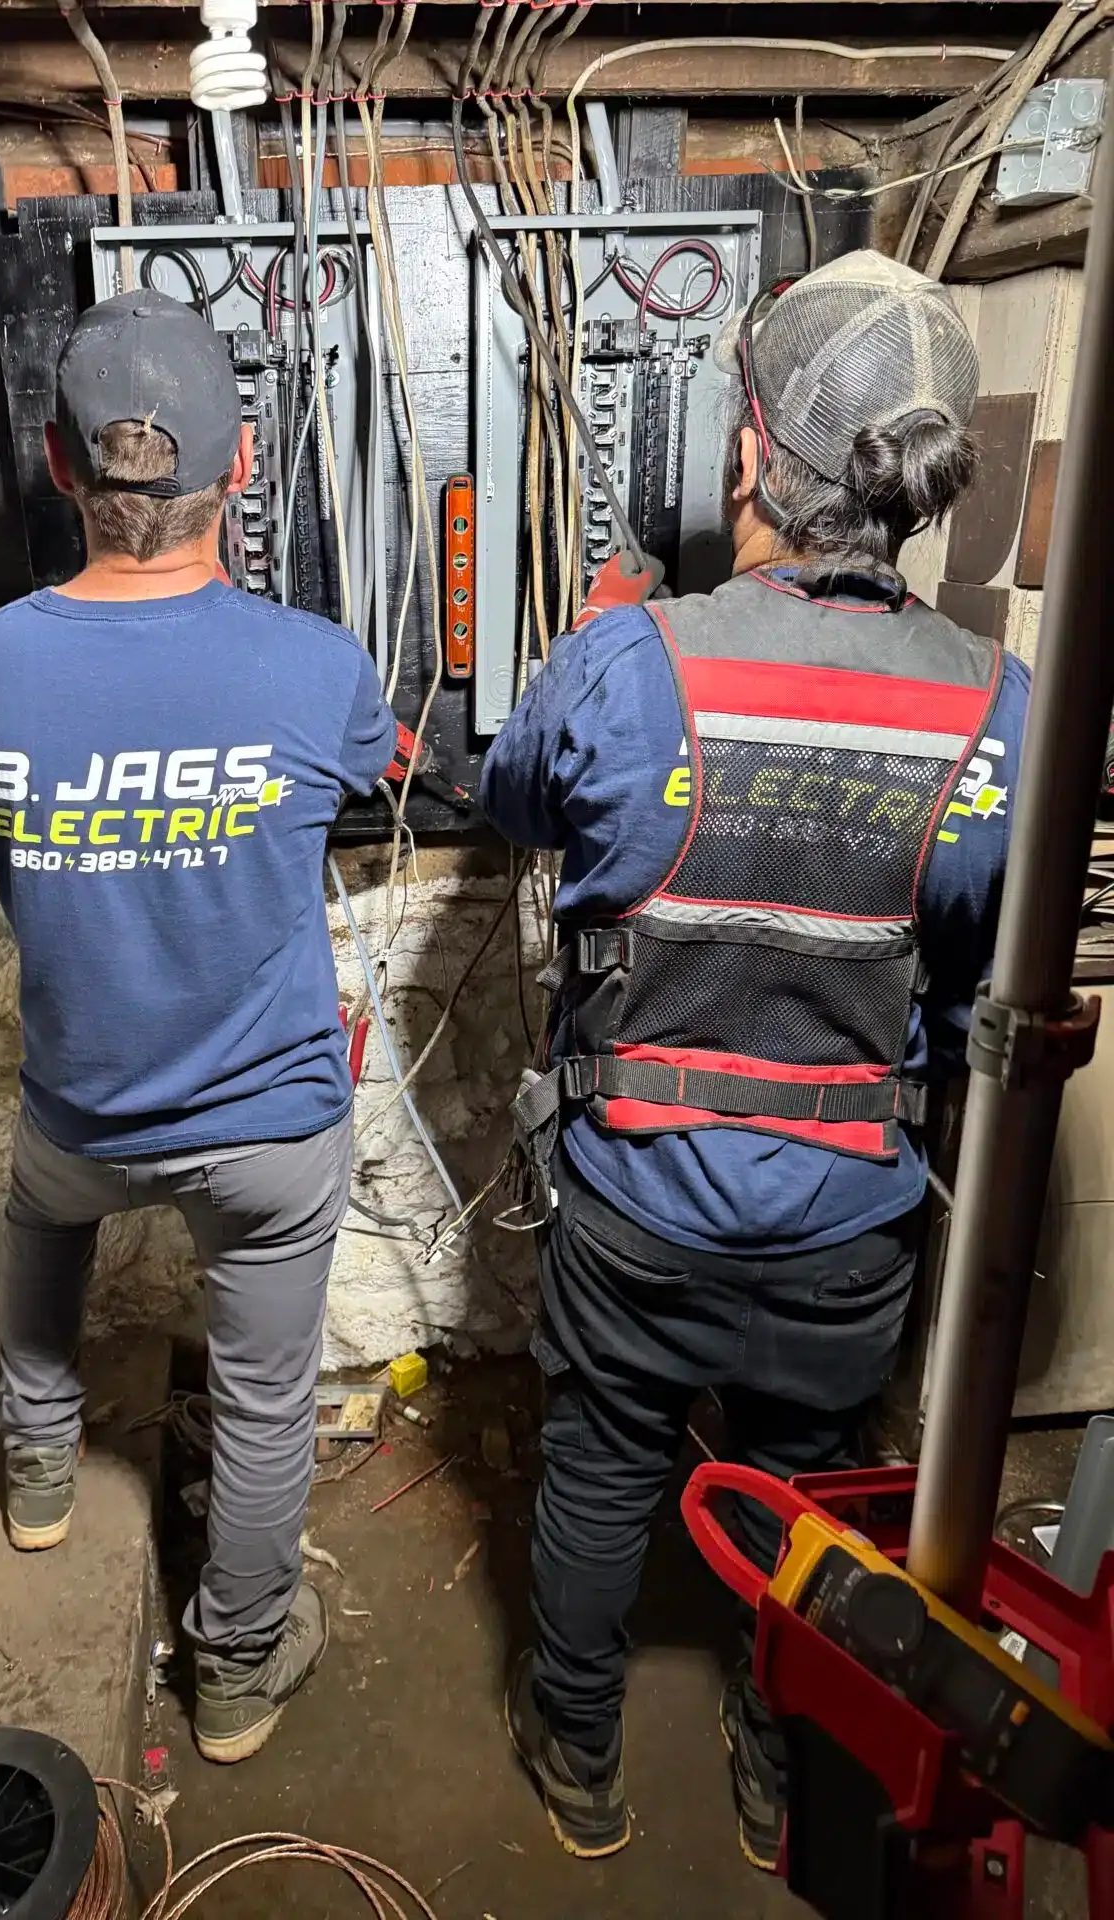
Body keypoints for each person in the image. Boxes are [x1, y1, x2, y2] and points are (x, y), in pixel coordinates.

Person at [480, 252, 1028, 1864]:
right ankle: (781, 1751)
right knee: (803, 1497)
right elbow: (984, 940)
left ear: (750, 454)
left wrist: (605, 652)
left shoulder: (634, 660)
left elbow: (519, 804)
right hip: (852, 1218)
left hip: (640, 1193)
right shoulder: (1003, 708)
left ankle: (575, 1753)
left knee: (597, 1467)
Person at [0, 290, 395, 1764]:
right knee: (261, 1404)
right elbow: (374, 777)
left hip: (85, 1114)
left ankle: (44, 1482)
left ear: (60, 467)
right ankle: (236, 1680)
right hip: (268, 1136)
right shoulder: (320, 668)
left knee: (40, 1219)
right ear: (239, 467)